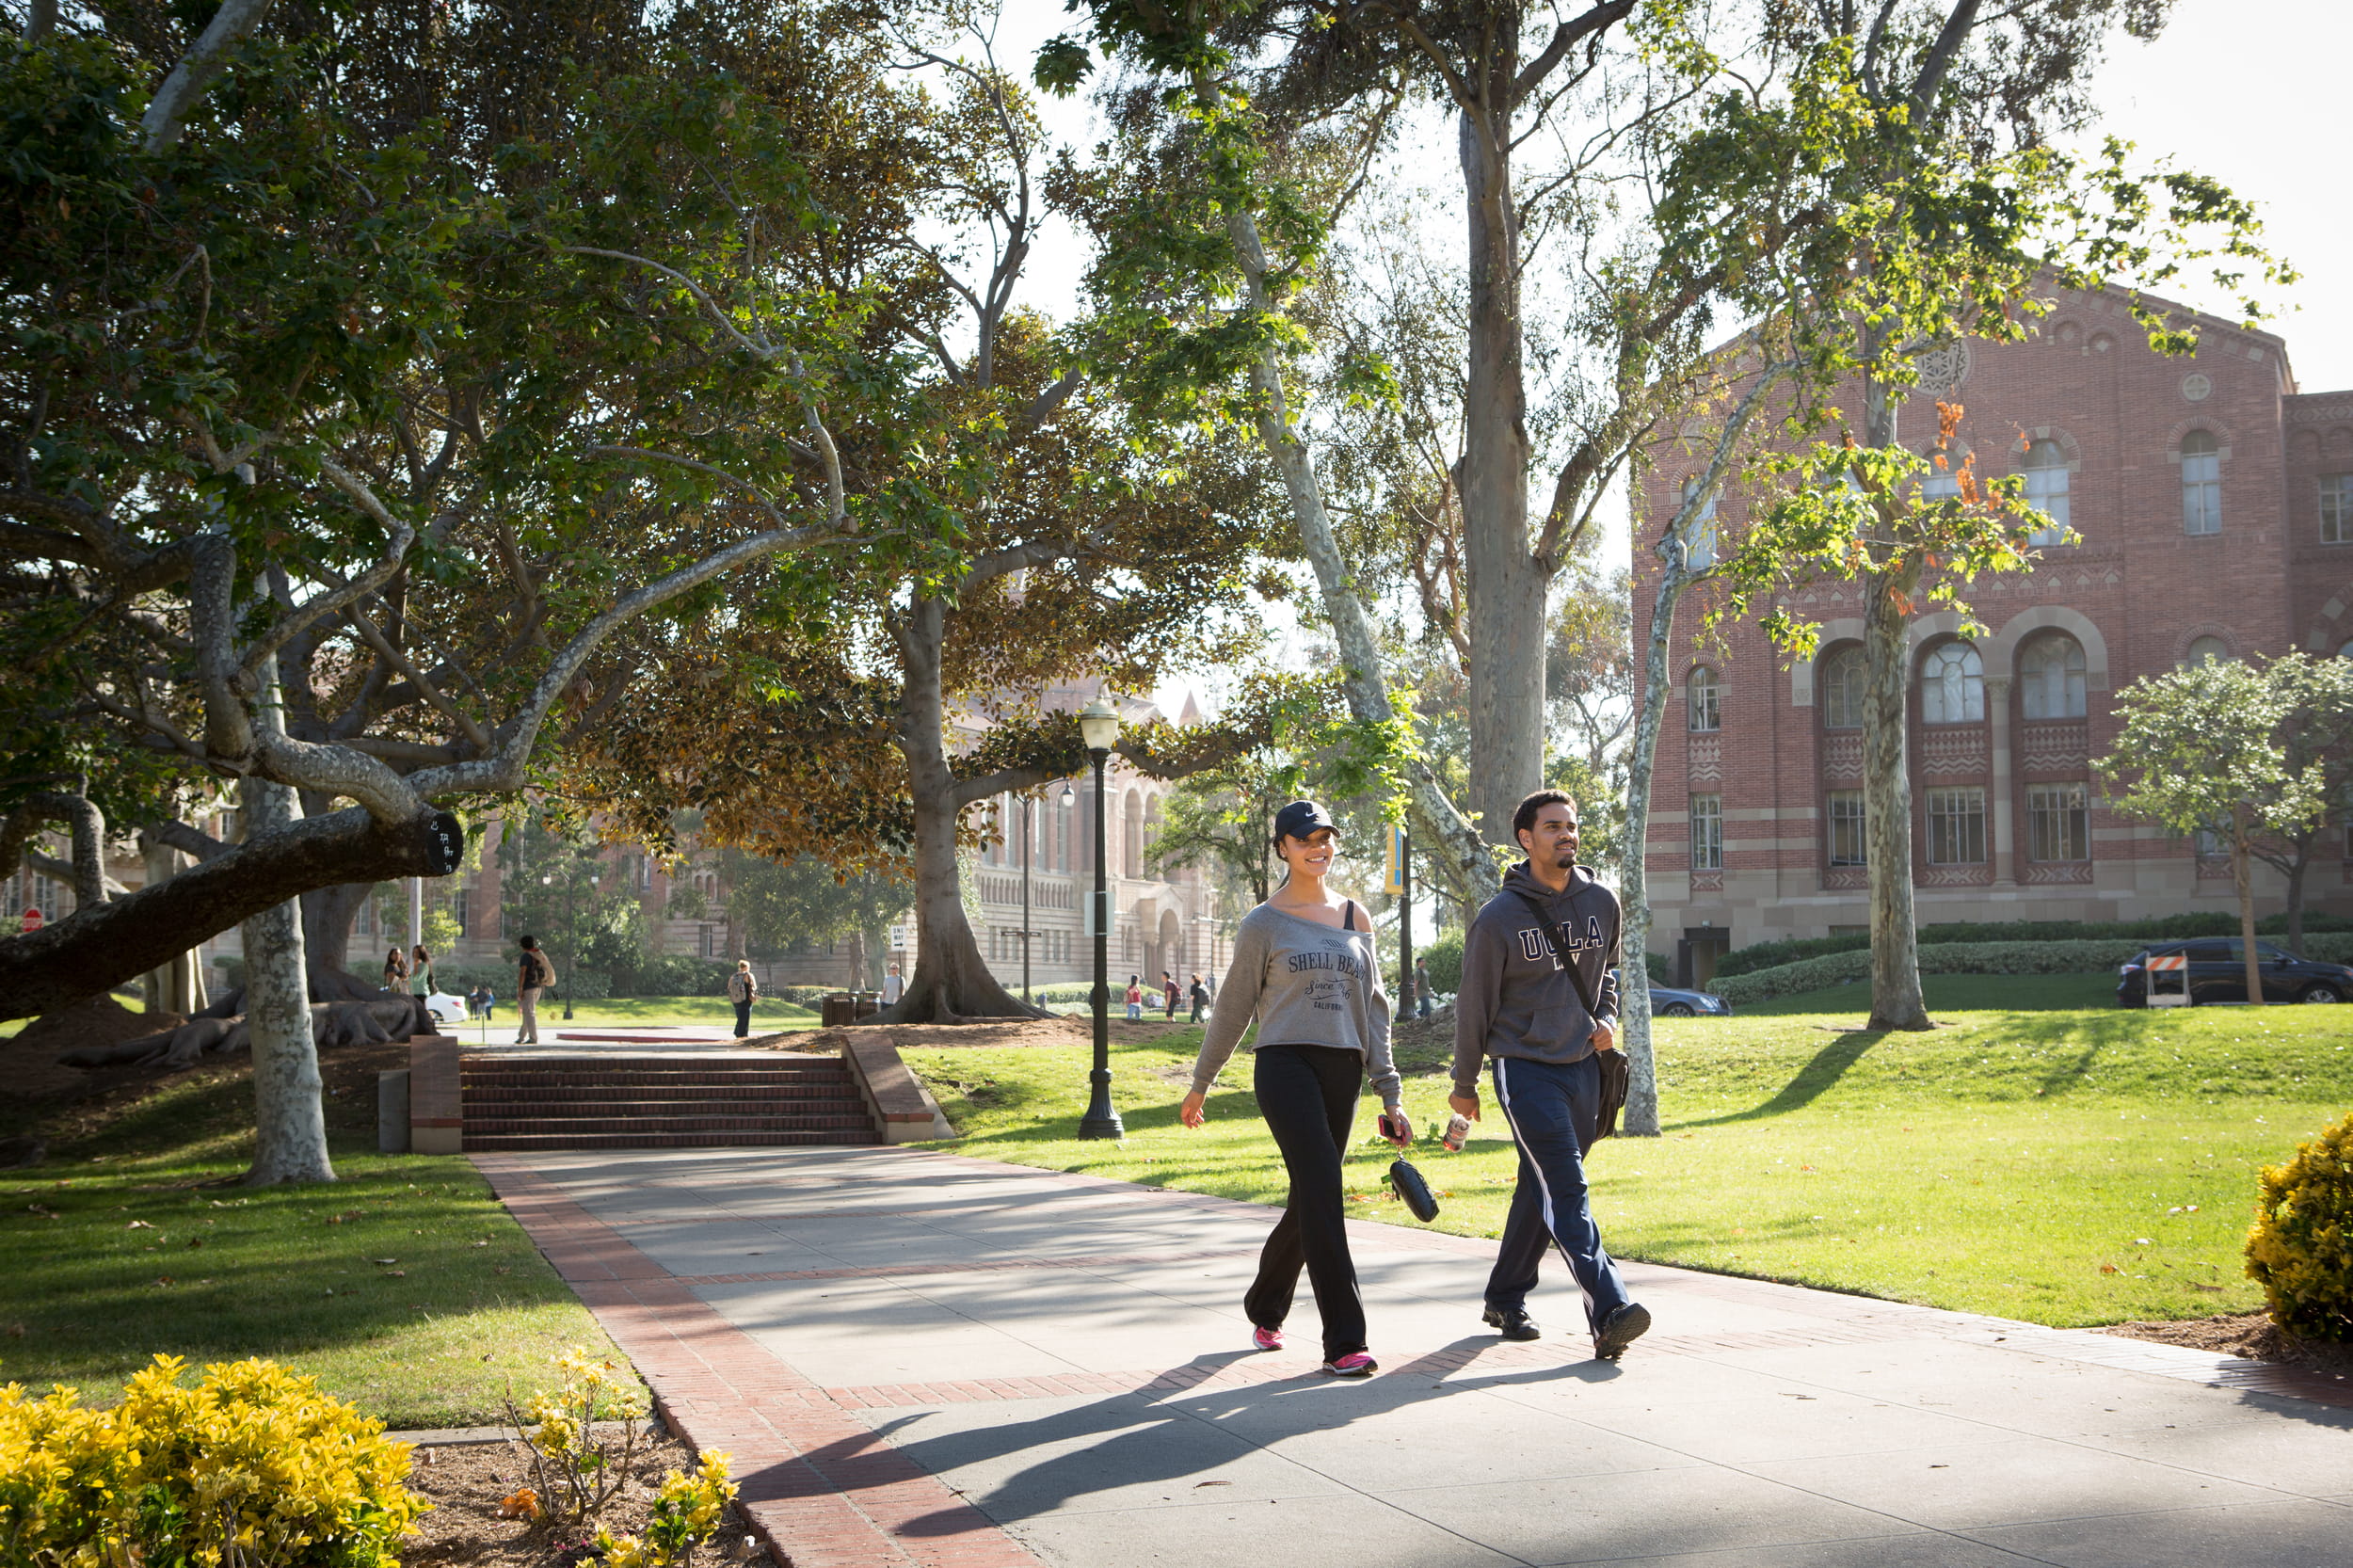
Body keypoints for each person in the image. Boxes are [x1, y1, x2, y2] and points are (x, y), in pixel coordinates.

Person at [1181, 799, 1408, 1379]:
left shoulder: (1358, 917)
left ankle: (1265, 1304)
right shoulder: (1263, 922)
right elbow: (1232, 1007)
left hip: (1343, 1070)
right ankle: (1344, 1342)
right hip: (1284, 1065)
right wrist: (1201, 1083)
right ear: (1282, 846)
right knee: (1324, 1192)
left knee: (1310, 1197)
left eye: (1326, 837)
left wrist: (1389, 1091)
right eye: (1306, 838)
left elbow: (1374, 1010)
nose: (1319, 847)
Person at [1449, 789, 1648, 1362]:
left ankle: (1505, 1296)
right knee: (1566, 1186)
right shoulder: (1498, 919)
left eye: (1571, 825)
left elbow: (1606, 974)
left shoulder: (1602, 902)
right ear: (1526, 839)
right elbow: (1474, 1007)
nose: (1567, 834)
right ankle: (1609, 1308)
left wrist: (1607, 1019)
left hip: (1584, 1068)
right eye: (1553, 826)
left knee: (1540, 1186)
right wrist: (1465, 1085)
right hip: (1524, 1068)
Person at [516, 936, 552, 1045]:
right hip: (538, 986)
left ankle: (533, 1038)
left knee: (530, 1012)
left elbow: (523, 973)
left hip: (528, 987)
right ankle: (521, 1036)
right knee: (528, 1011)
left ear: (523, 945)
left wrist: (520, 988)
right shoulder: (537, 955)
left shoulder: (525, 957)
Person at [728, 959, 759, 1038]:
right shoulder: (749, 975)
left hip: (736, 999)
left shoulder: (734, 976)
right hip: (746, 999)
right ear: (747, 967)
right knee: (745, 1016)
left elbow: (729, 987)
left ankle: (738, 1032)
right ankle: (743, 1033)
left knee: (740, 1016)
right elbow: (754, 987)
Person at [1415, 956, 1433, 1020]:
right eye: (1422, 961)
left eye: (1424, 961)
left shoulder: (1425, 970)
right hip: (1421, 992)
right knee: (1427, 1009)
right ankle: (1426, 1020)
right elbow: (1416, 982)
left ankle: (1416, 1016)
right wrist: (1415, 993)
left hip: (1426, 991)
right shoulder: (1418, 971)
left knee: (1423, 1009)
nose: (1424, 962)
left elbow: (1427, 982)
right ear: (1418, 963)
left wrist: (1430, 992)